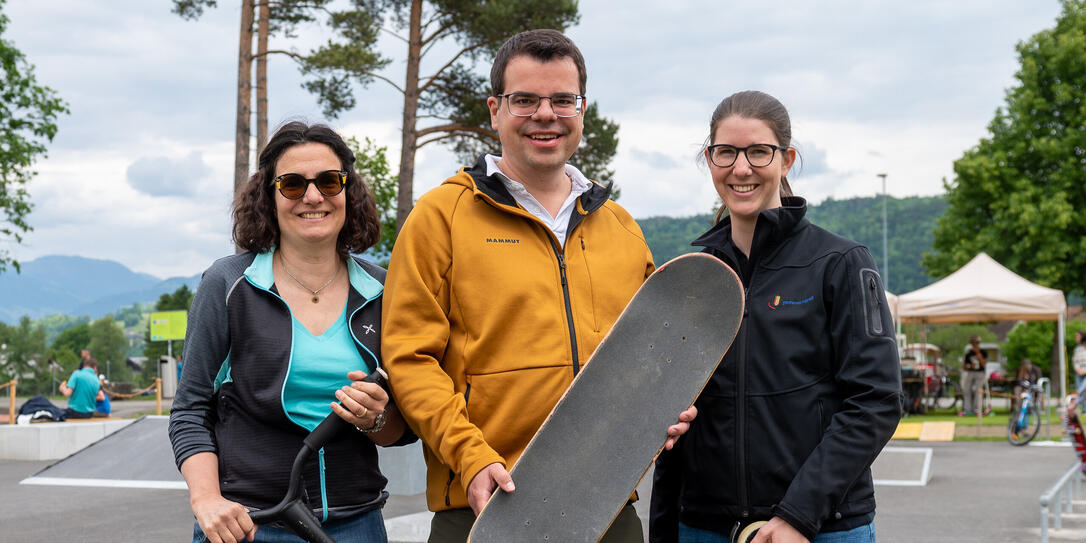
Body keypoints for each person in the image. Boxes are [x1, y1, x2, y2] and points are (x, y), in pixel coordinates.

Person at [381, 29, 693, 543]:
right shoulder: (441, 217)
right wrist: (470, 457)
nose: (545, 114)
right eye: (524, 99)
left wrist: (666, 408)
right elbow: (410, 358)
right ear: (494, 110)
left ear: (582, 109)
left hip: (610, 509)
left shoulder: (620, 228)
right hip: (485, 503)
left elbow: (651, 357)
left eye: (562, 99)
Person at [649, 90, 902, 543]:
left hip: (820, 528)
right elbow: (675, 419)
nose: (740, 168)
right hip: (706, 527)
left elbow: (875, 400)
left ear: (786, 160)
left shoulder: (840, 262)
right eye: (725, 152)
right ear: (709, 160)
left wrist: (798, 516)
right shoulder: (693, 278)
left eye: (758, 152)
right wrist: (665, 529)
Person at [168, 121, 414, 543]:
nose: (313, 196)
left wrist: (374, 419)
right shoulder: (227, 285)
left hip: (357, 523)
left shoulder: (384, 290)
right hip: (247, 525)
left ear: (348, 192)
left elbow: (401, 427)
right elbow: (190, 409)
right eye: (293, 184)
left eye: (329, 181)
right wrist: (206, 499)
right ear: (269, 195)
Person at [961, 335, 989, 416]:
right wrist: (970, 366)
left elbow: (984, 364)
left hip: (980, 373)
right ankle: (967, 409)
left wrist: (979, 355)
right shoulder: (968, 353)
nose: (974, 345)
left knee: (978, 390)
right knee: (967, 390)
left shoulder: (983, 352)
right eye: (973, 343)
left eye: (976, 343)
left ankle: (977, 409)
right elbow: (964, 367)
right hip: (971, 372)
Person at [1073, 331, 1086, 395]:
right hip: (1079, 373)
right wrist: (1078, 370)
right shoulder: (1077, 348)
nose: (1076, 338)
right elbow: (1075, 361)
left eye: (1077, 336)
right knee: (1080, 392)